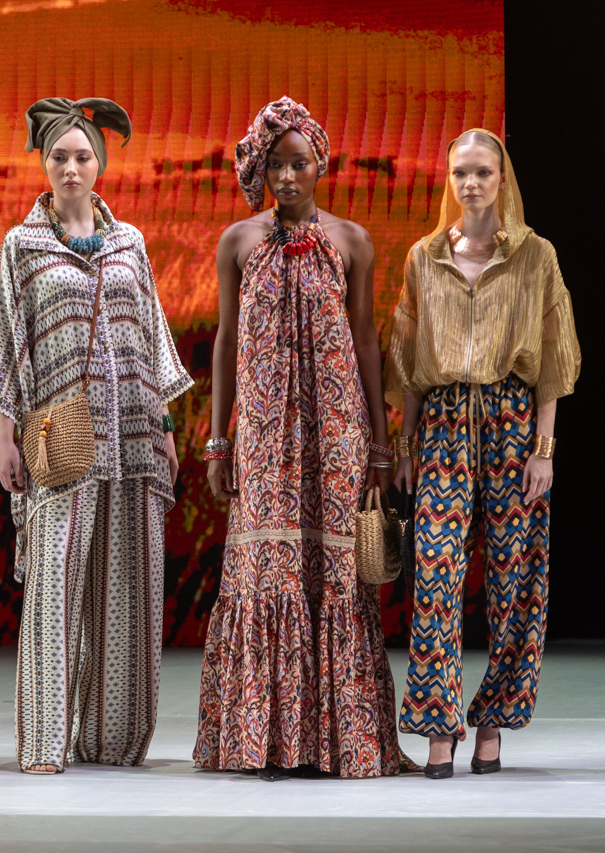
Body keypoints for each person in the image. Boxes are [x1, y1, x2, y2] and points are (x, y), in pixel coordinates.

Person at [0, 97, 193, 775]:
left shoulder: (130, 243)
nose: (71, 167)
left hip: (133, 431)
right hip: (58, 434)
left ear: (100, 164)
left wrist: (166, 425)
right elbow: (7, 342)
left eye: (83, 156)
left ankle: (112, 741)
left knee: (130, 589)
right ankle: (44, 742)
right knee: (53, 588)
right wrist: (4, 436)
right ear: (43, 161)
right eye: (59, 156)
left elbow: (151, 333)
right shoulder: (21, 246)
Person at [193, 96, 407, 781]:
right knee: (266, 571)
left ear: (321, 165)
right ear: (260, 170)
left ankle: (342, 742)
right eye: (275, 166)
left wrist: (380, 443)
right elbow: (226, 341)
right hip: (262, 433)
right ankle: (266, 742)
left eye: (299, 164)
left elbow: (366, 340)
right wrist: (218, 440)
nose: (287, 178)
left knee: (335, 573)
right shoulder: (238, 241)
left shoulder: (352, 241)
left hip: (336, 429)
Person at [387, 128, 580, 778]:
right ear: (449, 179)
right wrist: (405, 442)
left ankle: (493, 721)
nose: (470, 183)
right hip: (443, 424)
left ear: (502, 178)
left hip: (511, 423)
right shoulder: (425, 256)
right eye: (460, 172)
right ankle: (439, 726)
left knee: (512, 580)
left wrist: (544, 449)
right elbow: (408, 357)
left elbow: (554, 356)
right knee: (435, 573)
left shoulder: (535, 255)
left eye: (482, 172)